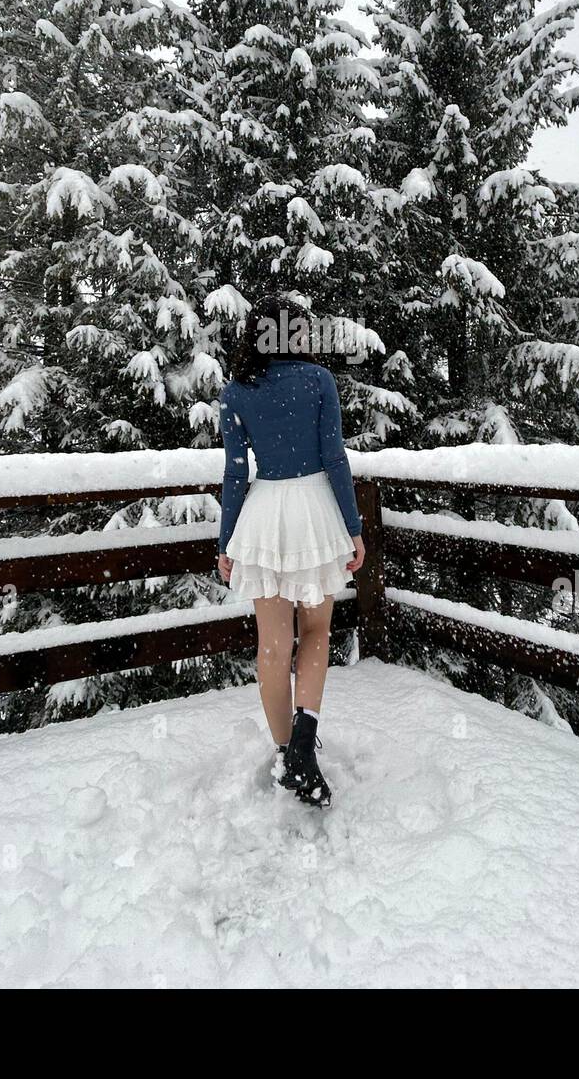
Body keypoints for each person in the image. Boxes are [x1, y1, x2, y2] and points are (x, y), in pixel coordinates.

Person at [217, 297, 365, 807]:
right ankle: (305, 738)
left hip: (262, 518)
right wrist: (354, 527)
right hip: (314, 514)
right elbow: (334, 457)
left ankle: (286, 753)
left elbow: (236, 473)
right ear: (295, 335)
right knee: (318, 629)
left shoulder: (235, 392)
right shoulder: (318, 381)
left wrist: (226, 543)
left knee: (273, 646)